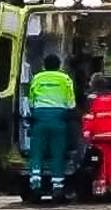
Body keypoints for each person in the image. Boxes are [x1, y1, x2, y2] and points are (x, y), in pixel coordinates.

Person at [26, 54, 76, 200]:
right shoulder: (65, 79)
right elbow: (71, 102)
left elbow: (31, 99)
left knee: (37, 152)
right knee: (57, 153)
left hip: (40, 117)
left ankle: (35, 183)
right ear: (59, 65)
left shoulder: (37, 78)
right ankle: (57, 188)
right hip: (59, 118)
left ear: (44, 65)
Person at [82, 73, 111, 198]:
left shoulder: (92, 100)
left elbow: (89, 119)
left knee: (100, 164)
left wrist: (86, 135)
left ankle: (100, 190)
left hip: (99, 138)